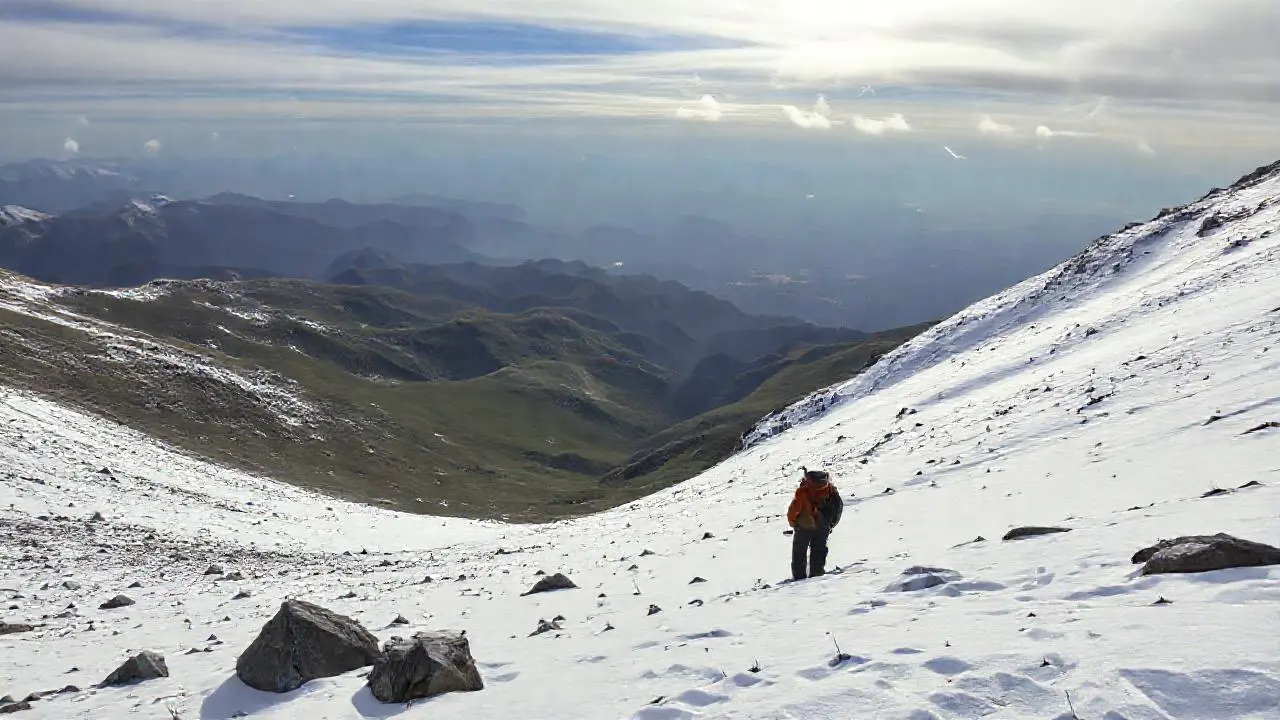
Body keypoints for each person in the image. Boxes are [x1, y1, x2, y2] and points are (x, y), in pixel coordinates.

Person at [786, 468, 844, 580]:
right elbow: (838, 507)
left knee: (799, 552)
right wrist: (831, 524)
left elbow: (794, 509)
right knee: (819, 549)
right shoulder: (830, 489)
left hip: (804, 526)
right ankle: (817, 575)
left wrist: (793, 523)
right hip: (824, 525)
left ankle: (799, 578)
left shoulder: (803, 491)